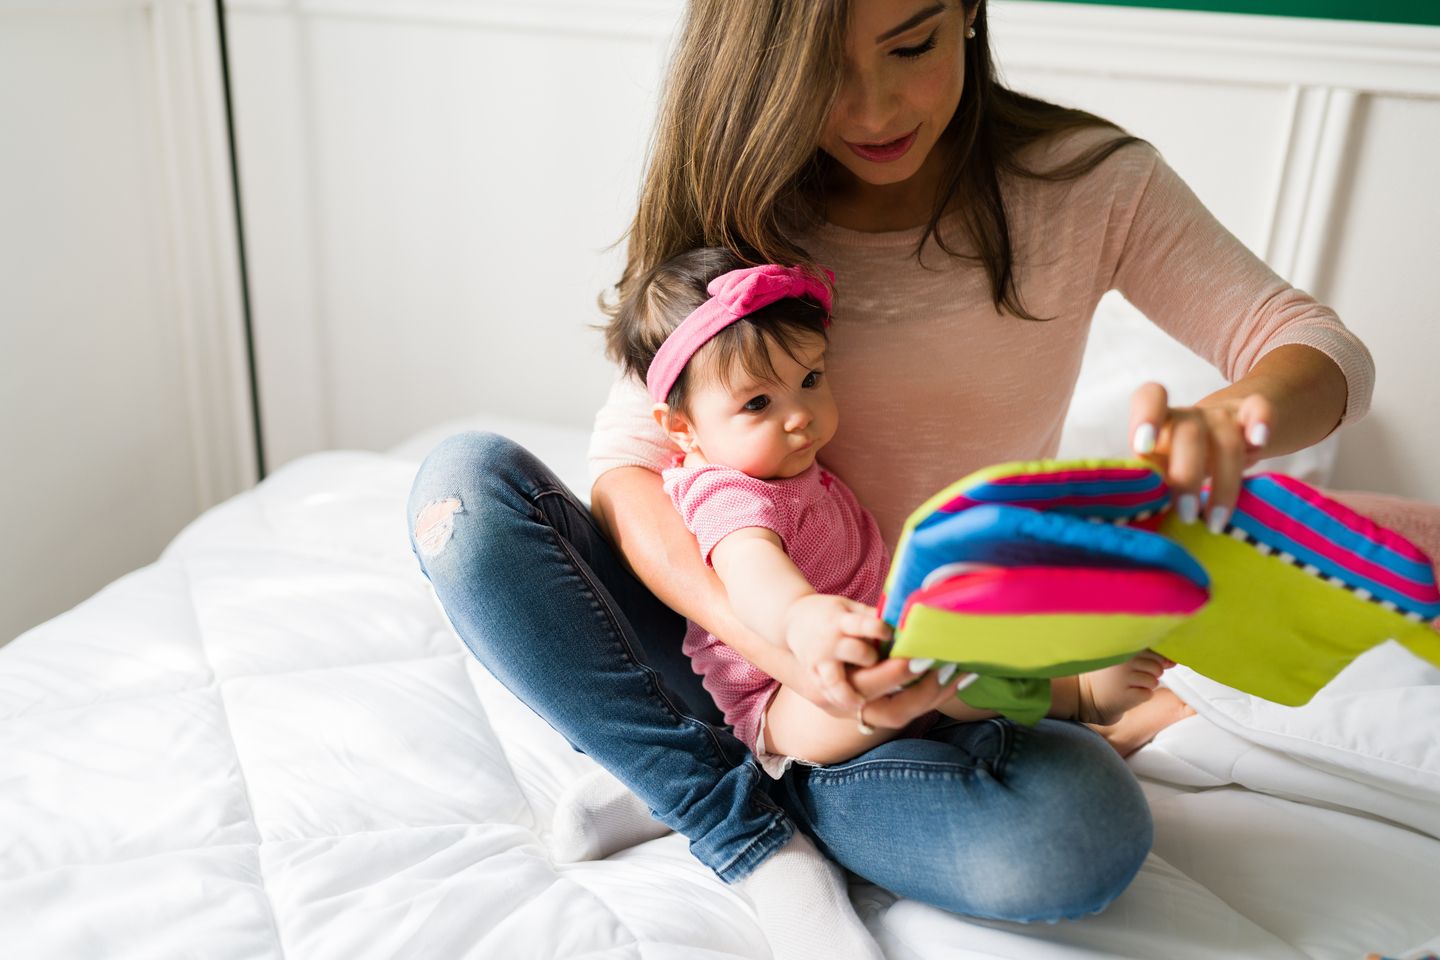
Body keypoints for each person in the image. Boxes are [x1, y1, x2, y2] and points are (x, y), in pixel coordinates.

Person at [407, 0, 1374, 956]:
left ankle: (682, 760)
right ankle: (740, 827)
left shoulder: (1090, 185)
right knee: (465, 492)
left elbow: (1320, 347)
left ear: (964, 13)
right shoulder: (741, 188)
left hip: (936, 667)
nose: (873, 111)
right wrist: (789, 647)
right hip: (746, 636)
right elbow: (632, 470)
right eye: (821, 70)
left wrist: (1230, 420)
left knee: (1078, 840)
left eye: (909, 45)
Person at [620, 246, 1174, 780]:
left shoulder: (786, 464)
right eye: (758, 403)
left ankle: (1077, 663)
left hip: (864, 658)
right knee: (934, 658)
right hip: (786, 706)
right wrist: (799, 617)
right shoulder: (728, 492)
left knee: (964, 620)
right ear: (680, 428)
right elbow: (750, 567)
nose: (800, 418)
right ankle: (1075, 697)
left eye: (810, 380)